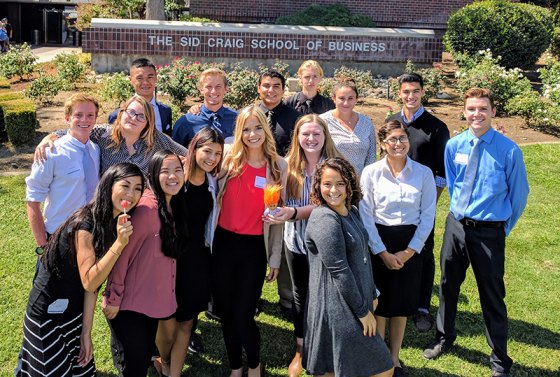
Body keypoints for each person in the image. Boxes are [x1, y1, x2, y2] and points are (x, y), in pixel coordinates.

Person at [423, 88, 529, 377]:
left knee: (492, 294)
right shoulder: (454, 146)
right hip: (456, 226)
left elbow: (519, 195)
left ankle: (499, 359)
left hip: (489, 233)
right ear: (464, 112)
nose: (477, 114)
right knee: (447, 285)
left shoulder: (509, 151)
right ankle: (445, 337)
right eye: (471, 109)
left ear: (493, 112)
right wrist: (458, 214)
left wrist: (501, 228)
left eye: (483, 108)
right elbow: (454, 183)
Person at [18, 163, 145, 377]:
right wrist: (120, 244)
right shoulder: (85, 224)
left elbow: (91, 289)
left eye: (138, 188)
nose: (131, 194)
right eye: (125, 185)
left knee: (81, 369)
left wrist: (86, 333)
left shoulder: (113, 223)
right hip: (46, 313)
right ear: (108, 185)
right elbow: (90, 280)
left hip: (73, 312)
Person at [212, 105, 287, 377]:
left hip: (254, 248)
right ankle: (235, 366)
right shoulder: (228, 159)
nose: (252, 134)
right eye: (246, 128)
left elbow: (279, 219)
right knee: (226, 313)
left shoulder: (278, 166)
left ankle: (254, 365)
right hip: (223, 244)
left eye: (257, 128)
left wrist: (275, 258)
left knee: (243, 315)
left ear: (265, 131)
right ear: (238, 131)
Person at [264, 114, 340, 377]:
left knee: (326, 296)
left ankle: (325, 347)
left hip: (326, 243)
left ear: (325, 136)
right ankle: (301, 348)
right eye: (305, 134)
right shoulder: (287, 166)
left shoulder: (335, 165)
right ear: (297, 137)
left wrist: (295, 213)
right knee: (300, 295)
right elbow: (278, 200)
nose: (311, 139)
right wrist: (275, 211)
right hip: (295, 241)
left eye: (316, 134)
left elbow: (331, 204)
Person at [359, 120, 437, 376]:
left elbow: (427, 217)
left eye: (402, 138)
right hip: (379, 242)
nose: (398, 143)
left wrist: (409, 252)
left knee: (401, 304)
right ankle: (378, 356)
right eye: (392, 139)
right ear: (382, 144)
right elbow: (366, 215)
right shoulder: (370, 173)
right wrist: (381, 252)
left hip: (410, 245)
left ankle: (394, 357)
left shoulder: (423, 173)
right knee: (381, 302)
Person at [304, 157, 393, 377]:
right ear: (318, 186)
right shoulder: (324, 218)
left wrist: (372, 292)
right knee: (383, 368)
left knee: (341, 368)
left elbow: (363, 256)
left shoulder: (350, 212)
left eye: (340, 183)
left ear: (349, 184)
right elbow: (339, 270)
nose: (333, 190)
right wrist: (363, 312)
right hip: (337, 308)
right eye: (327, 184)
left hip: (356, 299)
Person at [103, 150, 188, 376]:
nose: (173, 176)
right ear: (152, 175)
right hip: (129, 305)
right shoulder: (146, 210)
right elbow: (122, 254)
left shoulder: (173, 205)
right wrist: (114, 296)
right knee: (134, 366)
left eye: (178, 170)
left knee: (144, 358)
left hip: (150, 304)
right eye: (165, 171)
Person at [154, 128, 224, 376]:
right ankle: (162, 358)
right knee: (167, 321)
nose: (212, 158)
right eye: (207, 151)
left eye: (217, 153)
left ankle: (174, 372)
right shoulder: (176, 176)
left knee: (186, 321)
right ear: (194, 149)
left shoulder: (211, 182)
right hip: (170, 257)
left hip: (197, 259)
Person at [386, 72, 450, 332]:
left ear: (423, 92)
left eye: (415, 91)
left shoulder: (436, 127)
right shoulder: (392, 122)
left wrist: (429, 205)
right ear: (399, 92)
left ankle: (422, 307)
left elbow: (442, 174)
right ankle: (394, 299)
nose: (410, 96)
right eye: (405, 91)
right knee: (394, 248)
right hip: (392, 202)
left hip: (423, 204)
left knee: (422, 252)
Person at [26, 93, 100, 264]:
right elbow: (32, 200)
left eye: (90, 115)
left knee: (84, 289)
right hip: (58, 236)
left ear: (96, 119)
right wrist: (43, 246)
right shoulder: (51, 152)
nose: (85, 120)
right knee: (48, 290)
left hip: (90, 234)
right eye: (78, 115)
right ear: (67, 118)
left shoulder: (95, 149)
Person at [36, 95, 187, 176]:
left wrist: (184, 163)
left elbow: (186, 153)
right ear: (121, 114)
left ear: (148, 123)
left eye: (141, 116)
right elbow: (75, 130)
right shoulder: (103, 134)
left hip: (143, 206)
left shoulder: (155, 139)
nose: (134, 118)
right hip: (108, 206)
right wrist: (49, 138)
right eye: (131, 112)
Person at [257, 69, 300, 317]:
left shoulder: (294, 118)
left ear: (283, 90)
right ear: (259, 88)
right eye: (266, 85)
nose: (271, 90)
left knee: (282, 241)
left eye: (276, 86)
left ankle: (286, 297)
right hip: (254, 185)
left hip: (284, 184)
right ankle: (253, 295)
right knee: (256, 237)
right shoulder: (251, 115)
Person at [320, 79, 376, 174]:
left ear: (356, 99)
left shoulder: (366, 122)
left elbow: (371, 156)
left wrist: (366, 180)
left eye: (350, 98)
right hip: (333, 182)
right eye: (341, 98)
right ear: (333, 98)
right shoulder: (323, 121)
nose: (346, 103)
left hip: (360, 183)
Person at [172, 68, 237, 147]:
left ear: (226, 88)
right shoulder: (186, 122)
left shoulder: (237, 119)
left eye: (218, 86)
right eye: (208, 87)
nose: (213, 91)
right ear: (201, 89)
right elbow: (175, 152)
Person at [108, 58, 173, 135]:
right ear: (130, 80)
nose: (145, 82)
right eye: (139, 78)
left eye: (150, 77)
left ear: (156, 78)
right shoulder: (118, 115)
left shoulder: (165, 111)